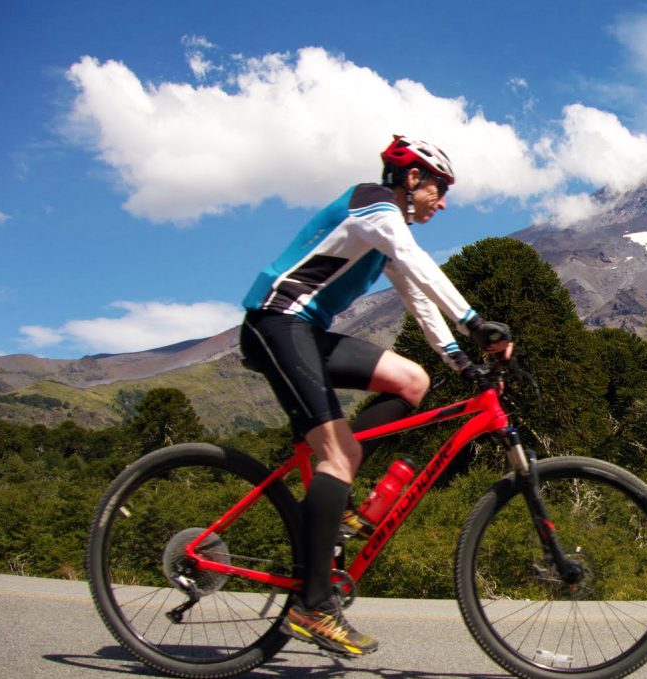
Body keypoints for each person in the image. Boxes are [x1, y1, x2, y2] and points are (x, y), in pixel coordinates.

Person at [238, 135, 511, 657]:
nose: (444, 202)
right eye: (441, 188)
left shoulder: (388, 231)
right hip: (275, 323)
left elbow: (418, 298)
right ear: (413, 178)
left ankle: (332, 489)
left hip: (307, 331)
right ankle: (311, 607)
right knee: (339, 454)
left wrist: (460, 361)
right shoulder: (373, 205)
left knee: (412, 382)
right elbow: (416, 260)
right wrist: (475, 322)